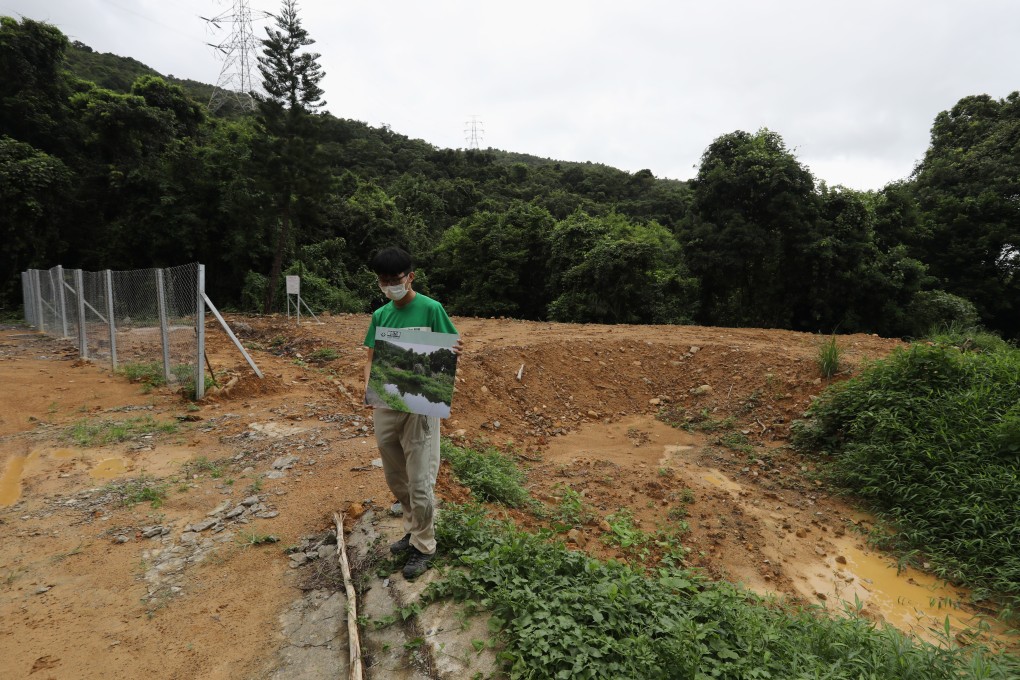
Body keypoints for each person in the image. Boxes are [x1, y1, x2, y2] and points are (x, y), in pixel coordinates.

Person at [362, 247, 461, 579]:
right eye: (384, 281)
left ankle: (424, 544)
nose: (390, 286)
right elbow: (370, 358)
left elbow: (449, 349)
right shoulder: (380, 316)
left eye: (396, 279)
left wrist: (452, 349)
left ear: (410, 277)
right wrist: (370, 391)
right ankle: (413, 527)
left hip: (420, 408)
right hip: (385, 405)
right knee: (396, 478)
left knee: (420, 482)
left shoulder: (431, 309)